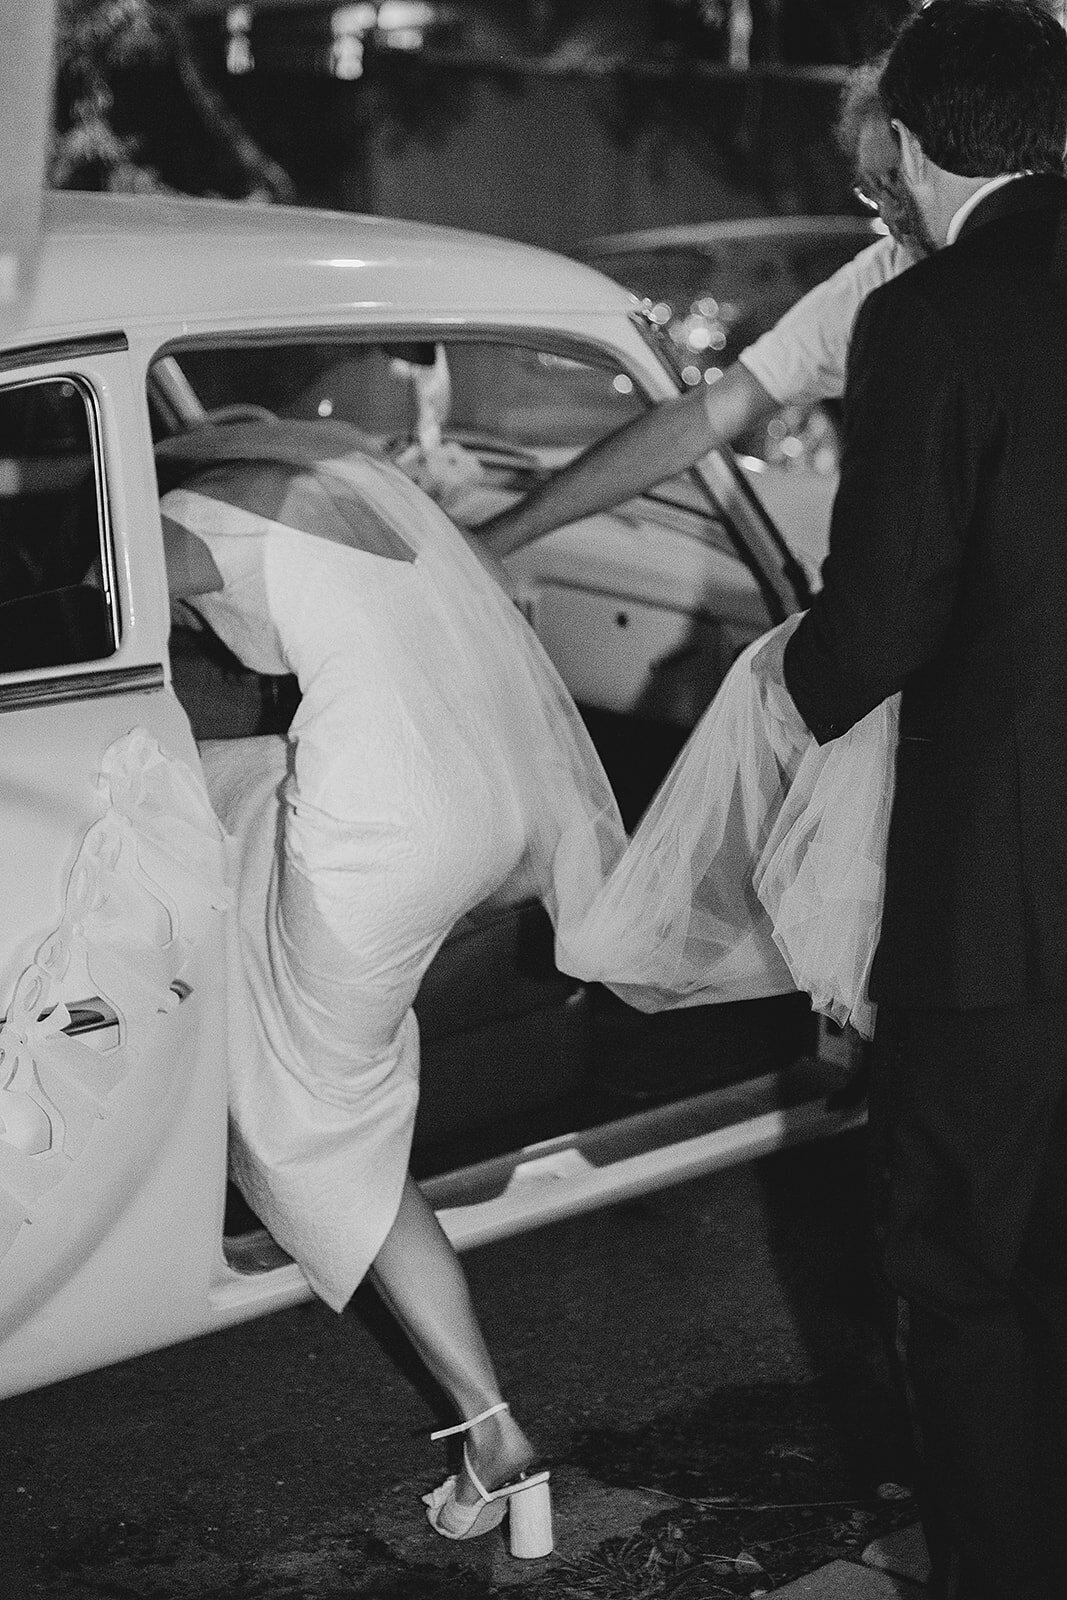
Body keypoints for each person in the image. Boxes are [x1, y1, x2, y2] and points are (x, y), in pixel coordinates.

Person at [159, 420, 628, 1559]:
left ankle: (493, 1433)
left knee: (321, 1123)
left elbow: (100, 614)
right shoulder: (361, 489)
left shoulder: (182, 521)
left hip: (379, 834)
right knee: (221, 793)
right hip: (479, 803)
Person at [772, 4, 1067, 1595]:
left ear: (903, 138)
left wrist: (786, 685)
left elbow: (876, 626)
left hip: (1004, 896)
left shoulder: (929, 316)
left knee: (957, 1263)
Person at [478, 59, 921, 561]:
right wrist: (496, 539)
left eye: (895, 183)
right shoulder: (879, 276)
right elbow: (698, 420)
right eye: (872, 191)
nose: (888, 213)